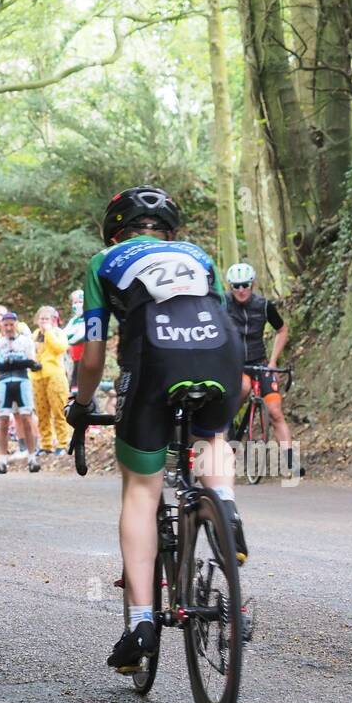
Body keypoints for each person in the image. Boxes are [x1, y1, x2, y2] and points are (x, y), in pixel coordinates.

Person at [67, 186, 245, 671]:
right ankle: (225, 508)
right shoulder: (197, 254)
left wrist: (81, 405)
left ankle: (141, 623)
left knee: (142, 492)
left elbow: (95, 356)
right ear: (169, 230)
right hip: (221, 355)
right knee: (212, 438)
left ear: (116, 229)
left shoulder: (103, 261)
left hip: (154, 361)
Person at [223, 262, 303, 477]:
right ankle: (228, 420)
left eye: (245, 285)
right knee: (243, 386)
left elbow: (282, 330)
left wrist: (273, 362)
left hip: (259, 361)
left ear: (253, 284)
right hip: (235, 363)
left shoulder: (263, 305)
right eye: (236, 286)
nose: (241, 290)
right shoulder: (222, 304)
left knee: (276, 411)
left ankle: (290, 462)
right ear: (230, 286)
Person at [0, 311, 42, 474]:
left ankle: (32, 458)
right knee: (4, 422)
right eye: (5, 325)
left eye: (11, 324)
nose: (8, 328)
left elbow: (31, 362)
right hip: (4, 383)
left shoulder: (26, 342)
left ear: (16, 324)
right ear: (1, 326)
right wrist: (19, 363)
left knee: (27, 419)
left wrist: (13, 363)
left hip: (22, 381)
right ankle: (2, 460)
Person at [30, 305, 71, 454]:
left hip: (55, 375)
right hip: (37, 376)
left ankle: (63, 442)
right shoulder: (34, 335)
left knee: (59, 410)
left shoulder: (58, 333)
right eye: (41, 319)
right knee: (42, 412)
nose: (43, 322)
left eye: (46, 319)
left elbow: (60, 348)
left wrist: (49, 332)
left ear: (53, 320)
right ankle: (46, 444)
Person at [64, 289, 87, 392]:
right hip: (73, 358)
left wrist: (69, 339)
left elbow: (80, 335)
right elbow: (63, 334)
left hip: (85, 358)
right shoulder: (73, 320)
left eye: (80, 302)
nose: (77, 305)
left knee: (82, 384)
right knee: (73, 384)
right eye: (75, 302)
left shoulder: (89, 318)